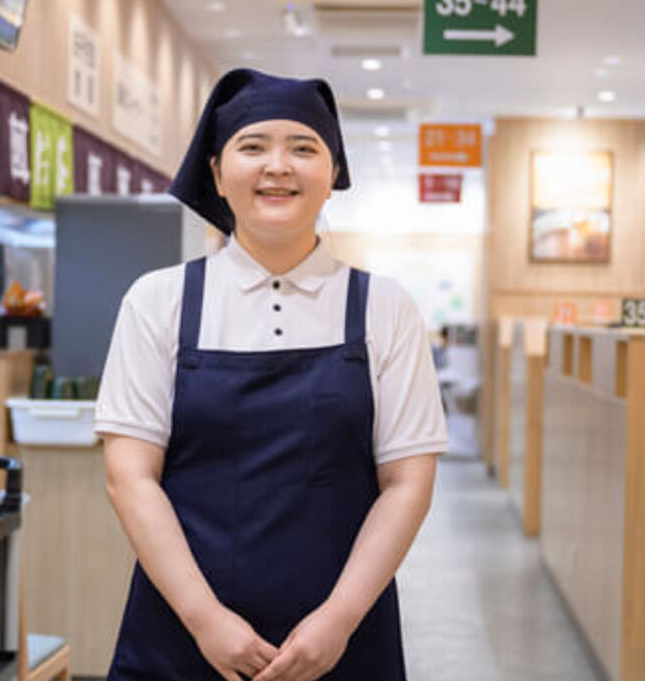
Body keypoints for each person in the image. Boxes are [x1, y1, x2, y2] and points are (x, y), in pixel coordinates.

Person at [95, 69, 448, 681]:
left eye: (304, 148)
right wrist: (205, 620)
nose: (278, 166)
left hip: (341, 638)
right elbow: (130, 477)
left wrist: (338, 619)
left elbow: (408, 483)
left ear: (333, 174)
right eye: (253, 146)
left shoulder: (385, 307)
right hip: (182, 631)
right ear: (216, 172)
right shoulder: (158, 301)